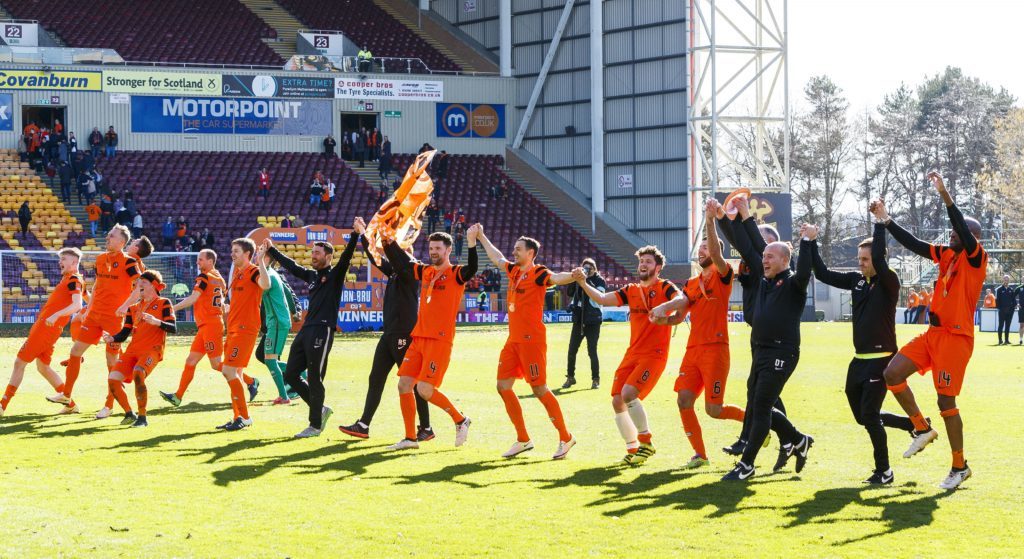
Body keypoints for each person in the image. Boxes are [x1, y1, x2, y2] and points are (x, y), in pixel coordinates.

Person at [876, 172, 987, 490]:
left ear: (970, 238)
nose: (952, 236)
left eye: (957, 233)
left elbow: (965, 232)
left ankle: (959, 466)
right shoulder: (947, 254)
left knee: (945, 401)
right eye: (952, 232)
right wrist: (887, 222)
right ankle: (921, 428)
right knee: (892, 374)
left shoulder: (976, 258)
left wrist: (945, 194)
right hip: (933, 334)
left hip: (956, 338)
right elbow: (915, 244)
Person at [805, 208, 916, 484]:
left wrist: (880, 224)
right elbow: (821, 273)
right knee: (862, 416)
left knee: (869, 415)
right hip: (859, 360)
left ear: (878, 259)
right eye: (860, 259)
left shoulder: (889, 282)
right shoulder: (856, 280)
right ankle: (911, 423)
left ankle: (884, 472)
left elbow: (879, 255)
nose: (862, 264)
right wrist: (811, 242)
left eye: (865, 259)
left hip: (881, 360)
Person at [651, 200, 747, 470]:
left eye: (707, 246)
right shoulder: (691, 284)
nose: (703, 250)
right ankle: (700, 455)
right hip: (693, 351)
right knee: (683, 400)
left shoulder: (723, 273)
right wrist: (662, 321)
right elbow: (680, 316)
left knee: (714, 410)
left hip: (716, 349)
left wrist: (709, 220)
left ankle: (757, 423)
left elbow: (717, 253)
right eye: (701, 247)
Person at [721, 219, 815, 481]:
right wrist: (734, 217)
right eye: (763, 257)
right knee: (758, 404)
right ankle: (798, 439)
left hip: (781, 353)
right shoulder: (765, 278)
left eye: (770, 257)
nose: (764, 260)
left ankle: (747, 464)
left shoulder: (795, 283)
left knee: (761, 408)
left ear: (785, 261)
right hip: (761, 350)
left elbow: (804, 270)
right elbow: (748, 245)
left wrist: (807, 242)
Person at [475, 225, 578, 460]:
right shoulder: (513, 271)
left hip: (532, 340)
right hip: (513, 340)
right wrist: (481, 236)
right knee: (503, 386)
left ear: (530, 252)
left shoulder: (539, 272)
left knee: (539, 389)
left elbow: (556, 277)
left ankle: (565, 436)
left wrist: (573, 275)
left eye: (518, 249)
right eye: (514, 249)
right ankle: (523, 439)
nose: (514, 252)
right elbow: (497, 257)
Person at [576, 246, 680, 465]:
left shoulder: (665, 287)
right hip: (632, 353)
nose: (643, 264)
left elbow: (681, 300)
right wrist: (583, 283)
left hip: (654, 354)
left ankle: (647, 442)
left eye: (648, 261)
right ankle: (633, 448)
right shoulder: (631, 290)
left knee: (629, 393)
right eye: (641, 261)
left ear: (658, 267)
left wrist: (666, 308)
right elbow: (603, 299)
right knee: (617, 400)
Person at [379, 229, 477, 451]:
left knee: (424, 389)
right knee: (404, 384)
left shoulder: (456, 273)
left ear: (448, 250)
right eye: (431, 248)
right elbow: (403, 263)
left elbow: (472, 268)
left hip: (439, 340)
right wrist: (388, 242)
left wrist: (471, 244)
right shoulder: (426, 272)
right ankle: (410, 438)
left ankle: (460, 420)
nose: (433, 252)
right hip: (418, 337)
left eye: (438, 248)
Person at [339, 217, 434, 440]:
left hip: (405, 334)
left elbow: (390, 256)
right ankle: (363, 425)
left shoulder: (412, 270)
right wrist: (363, 234)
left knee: (412, 381)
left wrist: (385, 237)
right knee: (376, 378)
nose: (392, 252)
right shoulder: (394, 271)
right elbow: (374, 258)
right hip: (389, 333)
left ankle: (426, 427)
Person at [715, 196, 792, 469]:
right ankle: (786, 441)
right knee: (762, 393)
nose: (758, 248)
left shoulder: (766, 265)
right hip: (759, 335)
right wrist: (723, 217)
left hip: (773, 341)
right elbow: (742, 241)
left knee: (760, 394)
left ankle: (757, 441)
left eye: (764, 243)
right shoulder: (757, 265)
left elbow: (744, 241)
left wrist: (725, 216)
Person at [263, 228, 358, 438]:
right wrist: (272, 249)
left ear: (328, 256)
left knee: (315, 377)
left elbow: (347, 257)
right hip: (306, 329)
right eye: (312, 252)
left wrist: (355, 235)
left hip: (323, 329)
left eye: (317, 253)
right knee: (291, 374)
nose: (312, 256)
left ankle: (314, 425)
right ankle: (321, 409)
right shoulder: (313, 276)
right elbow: (291, 266)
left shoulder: (335, 275)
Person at [48, 226, 141, 415]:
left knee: (111, 363)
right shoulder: (100, 259)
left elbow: (141, 285)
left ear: (122, 242)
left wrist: (125, 306)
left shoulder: (129, 262)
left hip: (114, 320)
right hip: (94, 316)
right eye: (108, 234)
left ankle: (109, 405)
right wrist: (87, 309)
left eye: (112, 235)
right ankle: (66, 395)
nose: (107, 236)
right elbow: (97, 285)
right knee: (75, 352)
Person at [2, 248, 84, 416]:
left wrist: (56, 315)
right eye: (60, 259)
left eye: (64, 259)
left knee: (19, 363)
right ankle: (71, 405)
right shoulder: (69, 279)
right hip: (47, 327)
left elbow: (77, 305)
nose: (60, 262)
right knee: (43, 367)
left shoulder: (74, 279)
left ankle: (2, 405)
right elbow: (84, 299)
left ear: (74, 262)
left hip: (47, 328)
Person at [102, 271, 176, 427]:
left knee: (138, 372)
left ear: (155, 285)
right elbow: (125, 332)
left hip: (152, 349)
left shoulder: (164, 303)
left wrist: (157, 322)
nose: (139, 285)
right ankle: (129, 413)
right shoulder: (133, 308)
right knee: (113, 379)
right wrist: (112, 338)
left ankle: (143, 418)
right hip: (132, 350)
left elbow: (173, 328)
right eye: (138, 283)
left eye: (144, 282)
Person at [160, 249, 227, 407]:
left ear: (210, 261)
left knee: (217, 364)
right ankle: (178, 396)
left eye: (201, 260)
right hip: (209, 324)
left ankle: (251, 381)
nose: (198, 262)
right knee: (190, 361)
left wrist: (172, 309)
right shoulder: (220, 279)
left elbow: (193, 298)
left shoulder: (204, 277)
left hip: (210, 325)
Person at [215, 238, 270, 431]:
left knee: (228, 371)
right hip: (233, 329)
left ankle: (245, 417)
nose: (232, 254)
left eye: (236, 250)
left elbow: (265, 284)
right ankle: (237, 416)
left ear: (247, 253)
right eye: (232, 250)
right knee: (235, 373)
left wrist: (261, 260)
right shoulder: (237, 273)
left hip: (245, 329)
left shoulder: (253, 270)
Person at [255, 248, 294, 404]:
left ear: (266, 259)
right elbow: (288, 293)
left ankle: (285, 396)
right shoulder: (272, 272)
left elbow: (263, 287)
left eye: (259, 255)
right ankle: (302, 376)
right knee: (269, 359)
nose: (255, 257)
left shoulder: (268, 275)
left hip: (277, 322)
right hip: (277, 322)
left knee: (270, 360)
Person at [562, 258, 605, 390]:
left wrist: (585, 281)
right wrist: (575, 278)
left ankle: (595, 379)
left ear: (595, 269)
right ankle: (570, 377)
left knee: (592, 351)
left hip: (593, 321)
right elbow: (569, 293)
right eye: (584, 268)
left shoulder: (599, 280)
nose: (587, 270)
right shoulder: (579, 280)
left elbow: (599, 296)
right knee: (571, 350)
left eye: (589, 268)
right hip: (579, 319)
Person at [995, 276, 1016, 345]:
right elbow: (997, 301)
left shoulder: (1011, 289)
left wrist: (1013, 308)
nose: (1006, 281)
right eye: (1005, 279)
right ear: (1003, 280)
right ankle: (1000, 340)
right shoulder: (999, 289)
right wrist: (1000, 309)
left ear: (1009, 280)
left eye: (1007, 279)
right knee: (1001, 325)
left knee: (1008, 326)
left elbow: (1014, 300)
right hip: (1002, 311)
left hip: (1010, 311)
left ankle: (1006, 340)